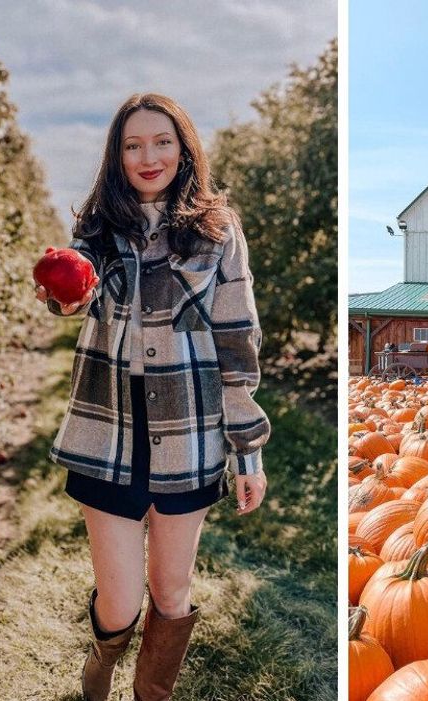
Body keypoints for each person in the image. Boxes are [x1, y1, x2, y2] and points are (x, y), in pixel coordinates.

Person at [35, 93, 271, 701]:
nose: (149, 156)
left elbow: (237, 339)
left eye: (162, 142)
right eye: (133, 145)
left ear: (184, 148)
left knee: (170, 591)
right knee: (119, 602)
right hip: (107, 423)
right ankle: (101, 662)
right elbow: (78, 289)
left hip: (188, 430)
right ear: (117, 156)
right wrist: (65, 292)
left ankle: (151, 694)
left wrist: (247, 451)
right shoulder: (99, 229)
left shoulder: (218, 232)